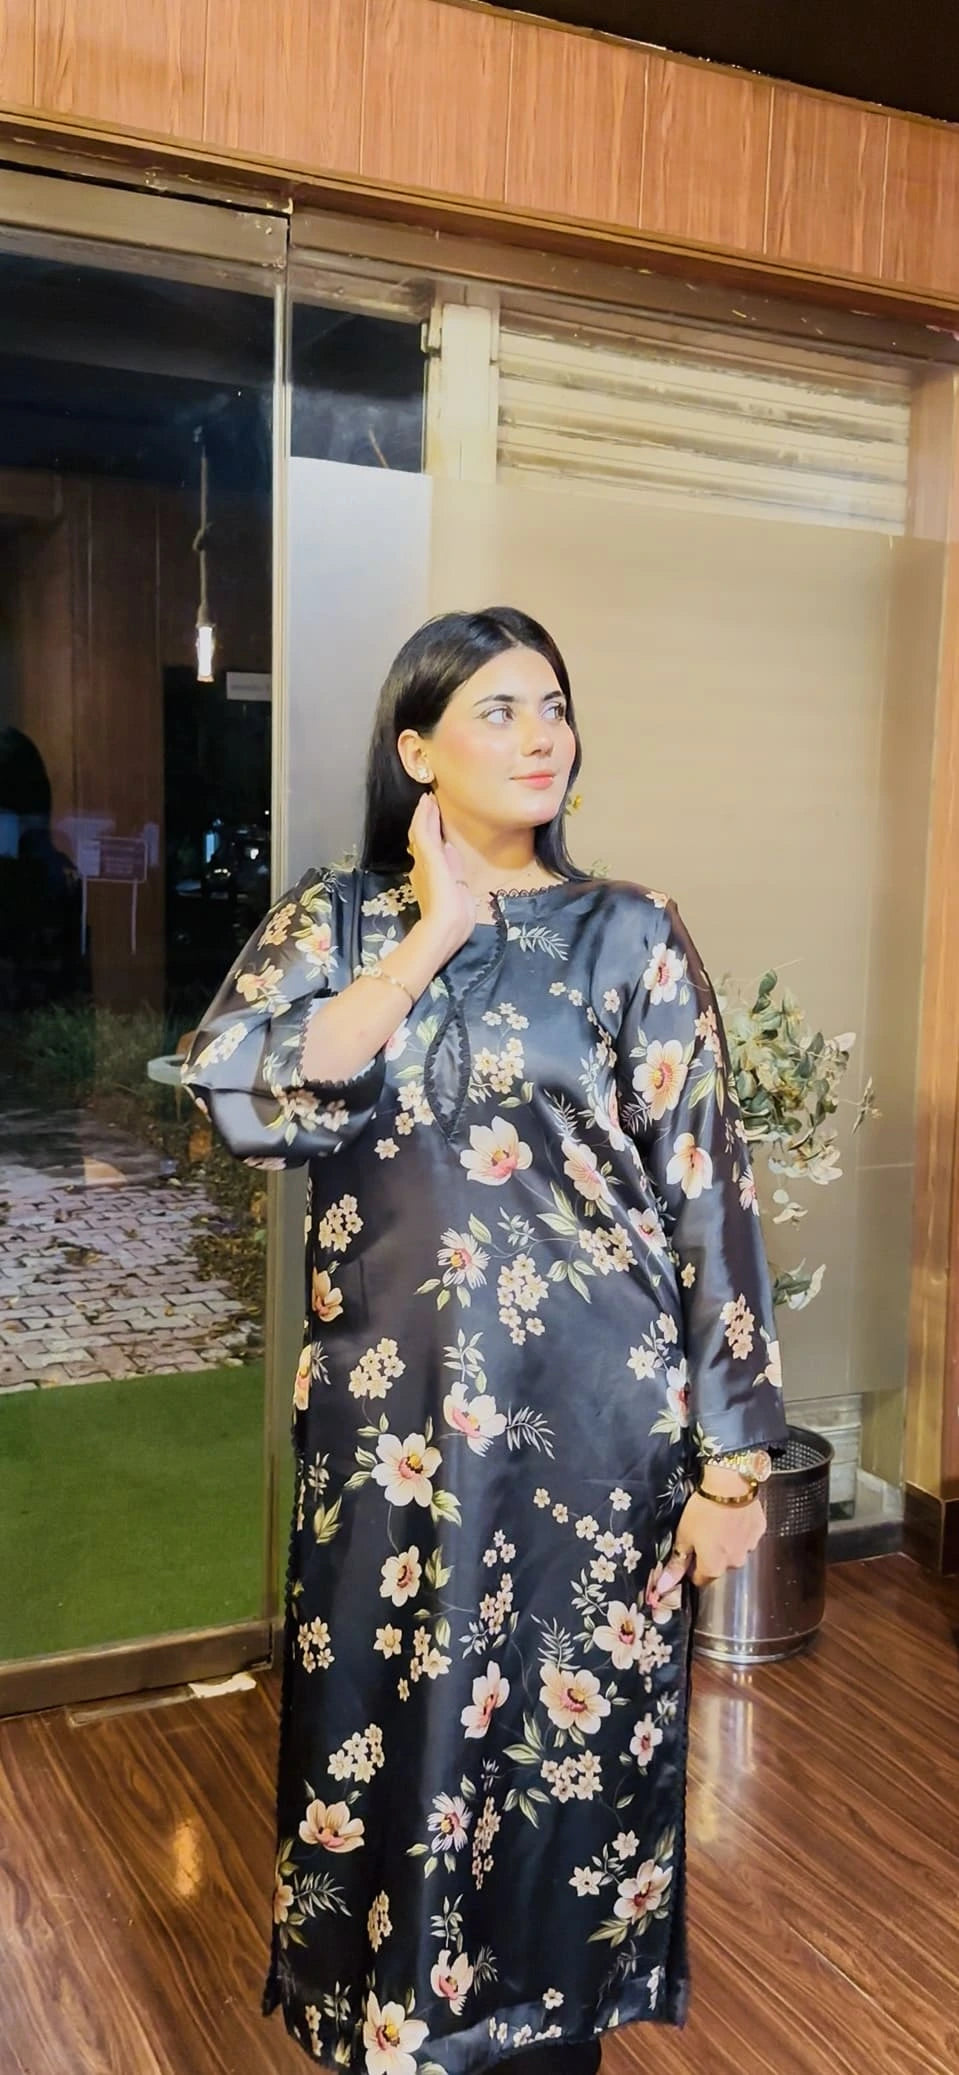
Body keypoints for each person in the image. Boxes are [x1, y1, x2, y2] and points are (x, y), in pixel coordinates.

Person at [183, 607, 787, 2075]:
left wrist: (733, 1464)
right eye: (499, 710)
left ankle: (549, 2037)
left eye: (554, 706)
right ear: (417, 751)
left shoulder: (630, 932)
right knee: (386, 1733)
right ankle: (394, 2032)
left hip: (599, 1433)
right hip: (389, 1435)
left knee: (573, 1768)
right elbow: (242, 1096)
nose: (540, 737)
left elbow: (707, 1192)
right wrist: (430, 940)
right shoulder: (340, 922)